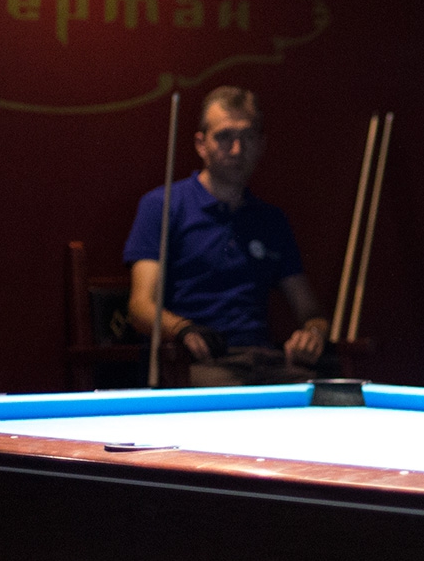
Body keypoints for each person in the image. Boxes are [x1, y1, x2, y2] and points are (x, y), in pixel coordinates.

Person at [126, 86, 330, 387]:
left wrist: (313, 333)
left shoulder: (270, 220)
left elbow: (311, 312)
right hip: (199, 364)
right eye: (224, 137)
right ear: (201, 144)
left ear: (261, 144)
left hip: (265, 363)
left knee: (330, 398)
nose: (236, 149)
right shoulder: (163, 205)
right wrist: (183, 329)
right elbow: (140, 307)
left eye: (247, 137)